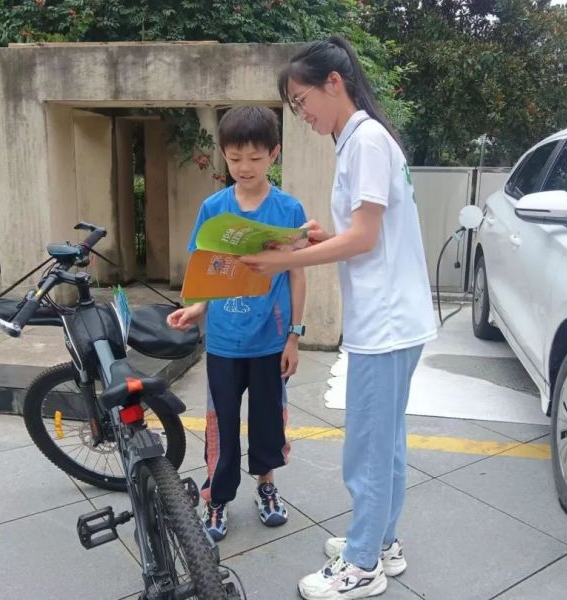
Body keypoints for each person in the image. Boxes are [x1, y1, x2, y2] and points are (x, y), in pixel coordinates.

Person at [240, 37, 436, 599]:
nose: (303, 116)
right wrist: (321, 238)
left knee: (369, 448)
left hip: (385, 322)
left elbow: (365, 238)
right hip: (394, 318)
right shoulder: (361, 138)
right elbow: (366, 233)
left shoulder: (365, 140)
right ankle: (382, 542)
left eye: (303, 102)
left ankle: (362, 564)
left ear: (334, 83)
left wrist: (285, 260)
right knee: (386, 443)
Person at [167, 106, 307, 543]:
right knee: (221, 425)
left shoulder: (288, 209)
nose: (244, 167)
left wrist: (295, 336)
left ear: (274, 154)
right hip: (224, 343)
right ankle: (217, 497)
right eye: (234, 158)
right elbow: (206, 269)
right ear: (224, 155)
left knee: (268, 423)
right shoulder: (214, 209)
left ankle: (267, 487)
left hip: (270, 341)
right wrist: (197, 308)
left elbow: (298, 275)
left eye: (255, 157)